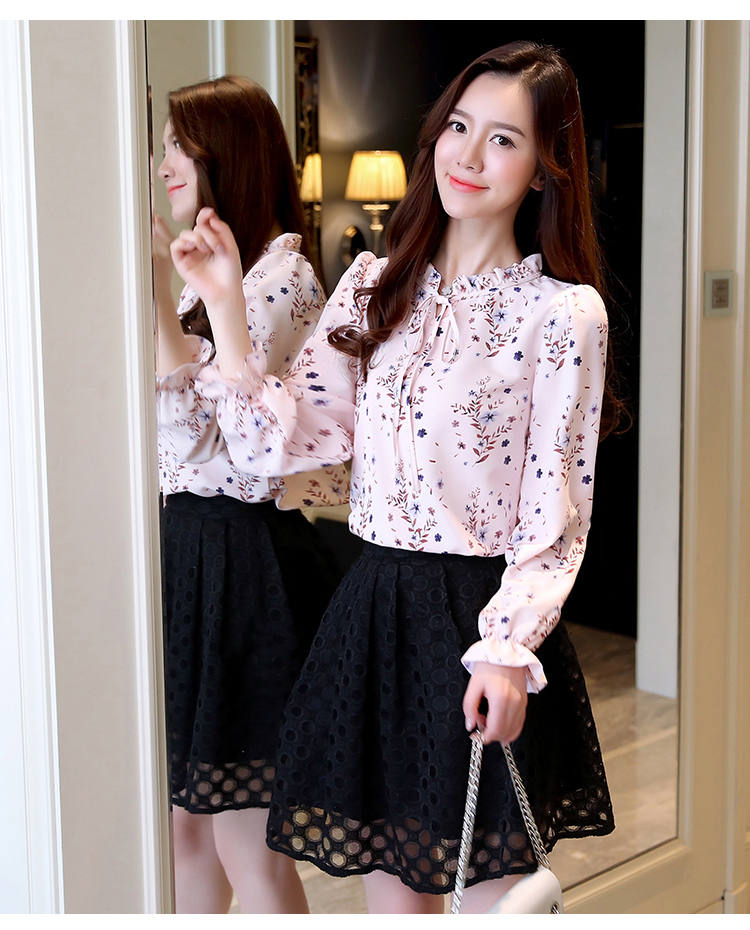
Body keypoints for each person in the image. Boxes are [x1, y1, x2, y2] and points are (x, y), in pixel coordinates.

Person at [169, 42, 619, 915]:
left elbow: (556, 509)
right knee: (394, 899)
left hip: (478, 620)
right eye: (459, 127)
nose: (468, 155)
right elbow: (284, 444)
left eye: (503, 140)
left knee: (486, 897)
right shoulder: (373, 287)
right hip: (374, 615)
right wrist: (224, 308)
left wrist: (508, 650)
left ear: (542, 168)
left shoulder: (562, 313)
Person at [152, 75, 348, 914]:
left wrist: (152, 291)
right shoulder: (203, 276)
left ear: (226, 154)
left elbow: (204, 438)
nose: (164, 163)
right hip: (191, 552)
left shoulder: (281, 279)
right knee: (183, 827)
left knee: (242, 835)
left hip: (242, 559)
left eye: (179, 146)